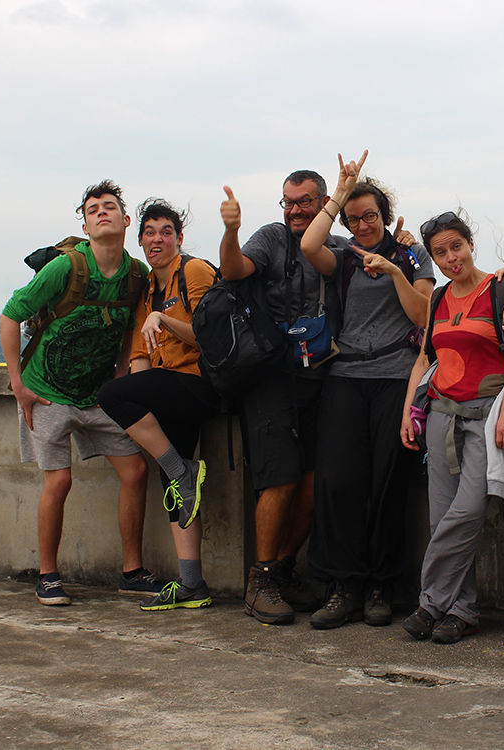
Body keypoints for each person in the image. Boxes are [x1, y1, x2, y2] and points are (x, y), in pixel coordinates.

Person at [0, 179, 158, 606]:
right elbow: (11, 314)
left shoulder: (136, 275)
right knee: (60, 480)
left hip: (97, 393)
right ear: (86, 226)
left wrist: (122, 375)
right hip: (45, 391)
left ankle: (132, 571)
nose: (101, 212)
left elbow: (128, 330)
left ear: (126, 222)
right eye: (92, 209)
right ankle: (47, 575)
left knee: (136, 471)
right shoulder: (66, 268)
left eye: (109, 207)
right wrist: (17, 384)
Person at [300, 151, 435, 629]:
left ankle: (380, 584)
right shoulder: (343, 258)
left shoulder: (411, 255)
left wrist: (396, 270)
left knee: (386, 482)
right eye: (354, 219)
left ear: (386, 214)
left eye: (370, 216)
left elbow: (423, 315)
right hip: (345, 379)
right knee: (338, 484)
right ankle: (342, 587)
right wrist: (338, 193)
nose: (362, 226)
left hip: (397, 378)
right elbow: (309, 245)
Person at [218, 171, 348, 625]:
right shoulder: (271, 238)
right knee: (282, 478)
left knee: (314, 483)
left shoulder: (338, 247)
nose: (295, 210)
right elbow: (233, 271)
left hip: (320, 377)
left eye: (304, 202)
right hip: (271, 375)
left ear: (324, 202)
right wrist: (231, 231)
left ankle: (283, 568)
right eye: (288, 202)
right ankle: (260, 582)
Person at [400, 209, 504, 645]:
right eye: (440, 252)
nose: (452, 258)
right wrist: (409, 411)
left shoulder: (501, 290)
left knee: (467, 511)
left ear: (471, 244)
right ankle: (460, 610)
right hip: (440, 415)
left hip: (486, 414)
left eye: (457, 246)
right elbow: (426, 359)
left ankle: (429, 601)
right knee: (440, 517)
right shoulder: (439, 299)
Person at [99, 198, 220, 611]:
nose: (157, 239)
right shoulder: (149, 287)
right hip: (169, 389)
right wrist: (140, 389)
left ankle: (180, 471)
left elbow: (211, 337)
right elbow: (138, 358)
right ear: (141, 240)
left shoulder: (195, 271)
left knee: (110, 395)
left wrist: (163, 319)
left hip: (201, 384)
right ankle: (192, 585)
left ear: (179, 238)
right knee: (179, 489)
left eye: (165, 232)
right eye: (149, 233)